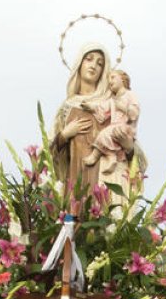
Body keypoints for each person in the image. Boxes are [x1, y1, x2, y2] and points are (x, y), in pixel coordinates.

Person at [52, 43, 143, 194]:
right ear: (79, 64)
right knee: (72, 214)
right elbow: (48, 156)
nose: (94, 65)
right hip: (75, 180)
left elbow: (133, 153)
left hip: (106, 181)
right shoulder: (67, 107)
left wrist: (128, 147)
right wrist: (65, 135)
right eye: (89, 59)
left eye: (100, 63)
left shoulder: (111, 103)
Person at [81, 69, 139, 172]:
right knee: (107, 136)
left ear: (122, 78)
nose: (110, 81)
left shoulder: (129, 95)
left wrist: (123, 108)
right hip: (114, 127)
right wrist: (91, 107)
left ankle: (94, 156)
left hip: (126, 128)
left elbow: (134, 113)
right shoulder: (113, 100)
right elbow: (102, 108)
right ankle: (111, 158)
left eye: (113, 77)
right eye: (108, 80)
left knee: (103, 134)